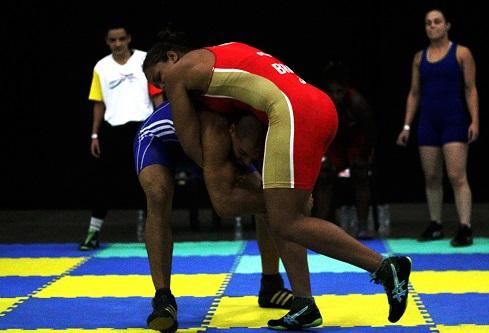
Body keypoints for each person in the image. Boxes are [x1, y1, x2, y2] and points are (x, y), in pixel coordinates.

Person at [142, 28, 412, 330]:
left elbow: (191, 143)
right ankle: (304, 303)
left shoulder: (181, 72)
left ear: (171, 57)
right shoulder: (225, 49)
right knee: (280, 212)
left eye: (158, 78)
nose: (162, 88)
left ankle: (386, 268)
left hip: (293, 114)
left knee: (286, 219)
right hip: (317, 106)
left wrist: (222, 166)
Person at [134, 102, 295, 332]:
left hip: (203, 146)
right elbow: (224, 205)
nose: (246, 161)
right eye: (243, 153)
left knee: (262, 191)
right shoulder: (215, 133)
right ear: (232, 133)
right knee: (158, 196)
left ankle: (271, 284)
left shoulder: (242, 134)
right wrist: (289, 202)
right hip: (158, 143)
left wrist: (272, 197)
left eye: (252, 156)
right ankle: (163, 298)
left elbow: (248, 171)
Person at [396, 9, 479, 247]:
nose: (432, 26)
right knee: (431, 176)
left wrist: (474, 120)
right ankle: (435, 224)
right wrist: (406, 125)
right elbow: (414, 93)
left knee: (456, 175)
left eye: (437, 22)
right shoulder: (419, 58)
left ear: (447, 25)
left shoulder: (462, 53)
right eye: (428, 23)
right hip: (428, 123)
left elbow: (470, 89)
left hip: (454, 120)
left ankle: (465, 226)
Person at [79, 23, 164, 251]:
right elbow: (98, 102)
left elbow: (157, 95)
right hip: (113, 130)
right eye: (113, 40)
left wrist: (161, 125)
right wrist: (95, 134)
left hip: (143, 129)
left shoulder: (145, 60)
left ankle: (154, 233)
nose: (117, 44)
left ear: (129, 39)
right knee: (102, 184)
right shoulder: (101, 67)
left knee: (150, 182)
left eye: (121, 39)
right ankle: (93, 233)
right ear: (107, 42)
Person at [314, 61, 377, 239]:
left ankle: (362, 225)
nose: (335, 97)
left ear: (346, 89)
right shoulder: (321, 103)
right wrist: (323, 157)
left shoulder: (357, 102)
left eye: (339, 92)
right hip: (333, 142)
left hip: (355, 141)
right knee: (324, 175)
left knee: (361, 174)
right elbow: (317, 135)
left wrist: (363, 156)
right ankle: (320, 226)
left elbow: (370, 132)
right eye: (331, 92)